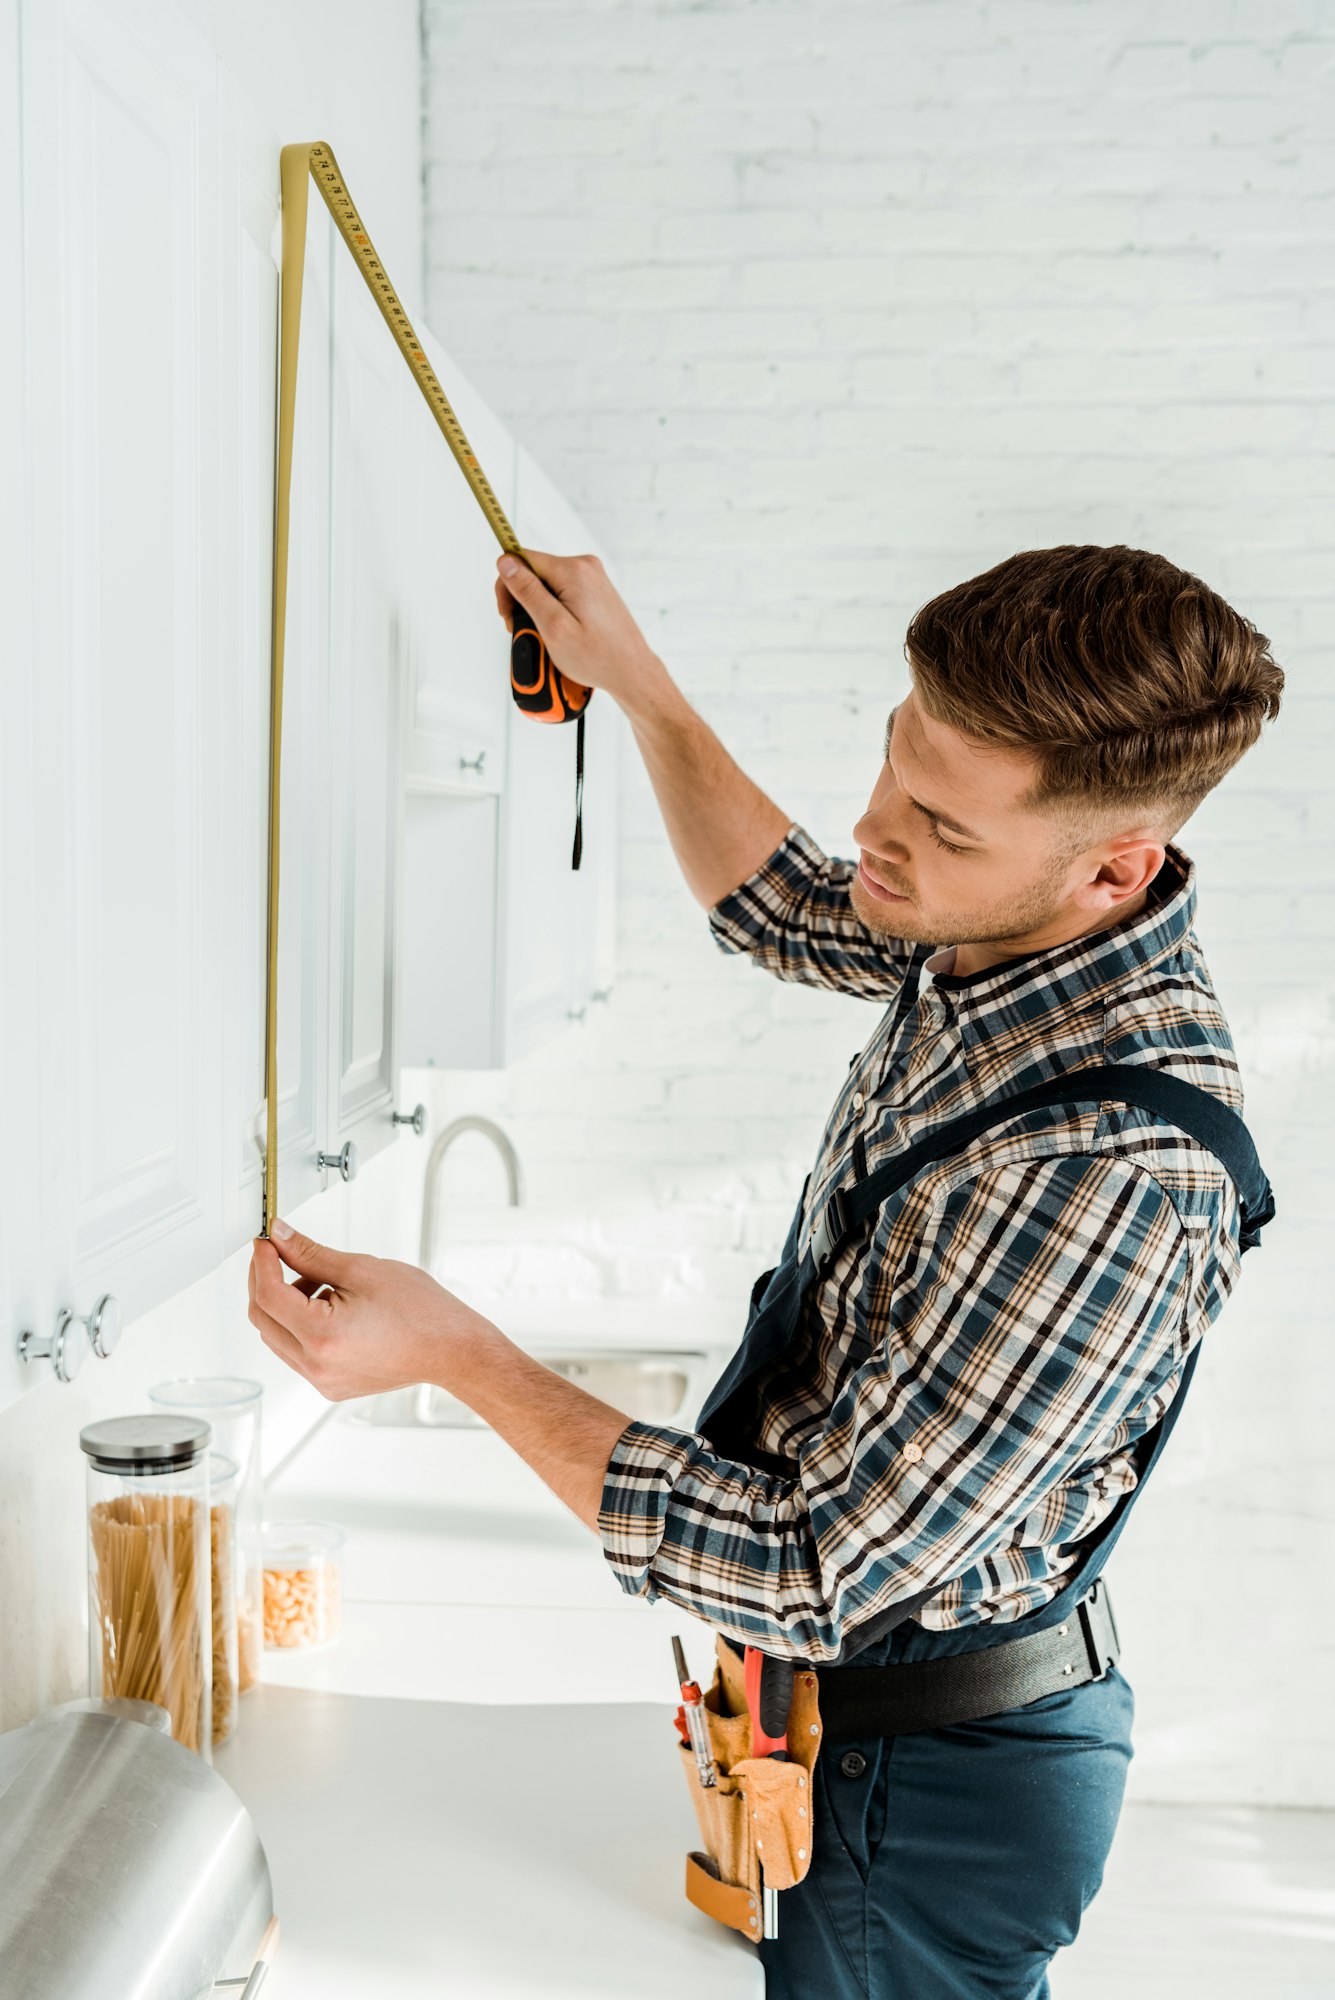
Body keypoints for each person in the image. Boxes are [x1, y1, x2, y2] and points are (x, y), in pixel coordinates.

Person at [250, 542, 1283, 1999]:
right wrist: (645, 693)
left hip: (924, 1788)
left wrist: (464, 1357)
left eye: (939, 821)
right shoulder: (1004, 927)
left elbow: (810, 1566)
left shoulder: (1106, 1173)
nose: (876, 830)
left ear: (1114, 865)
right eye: (891, 758)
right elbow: (795, 906)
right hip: (854, 1727)